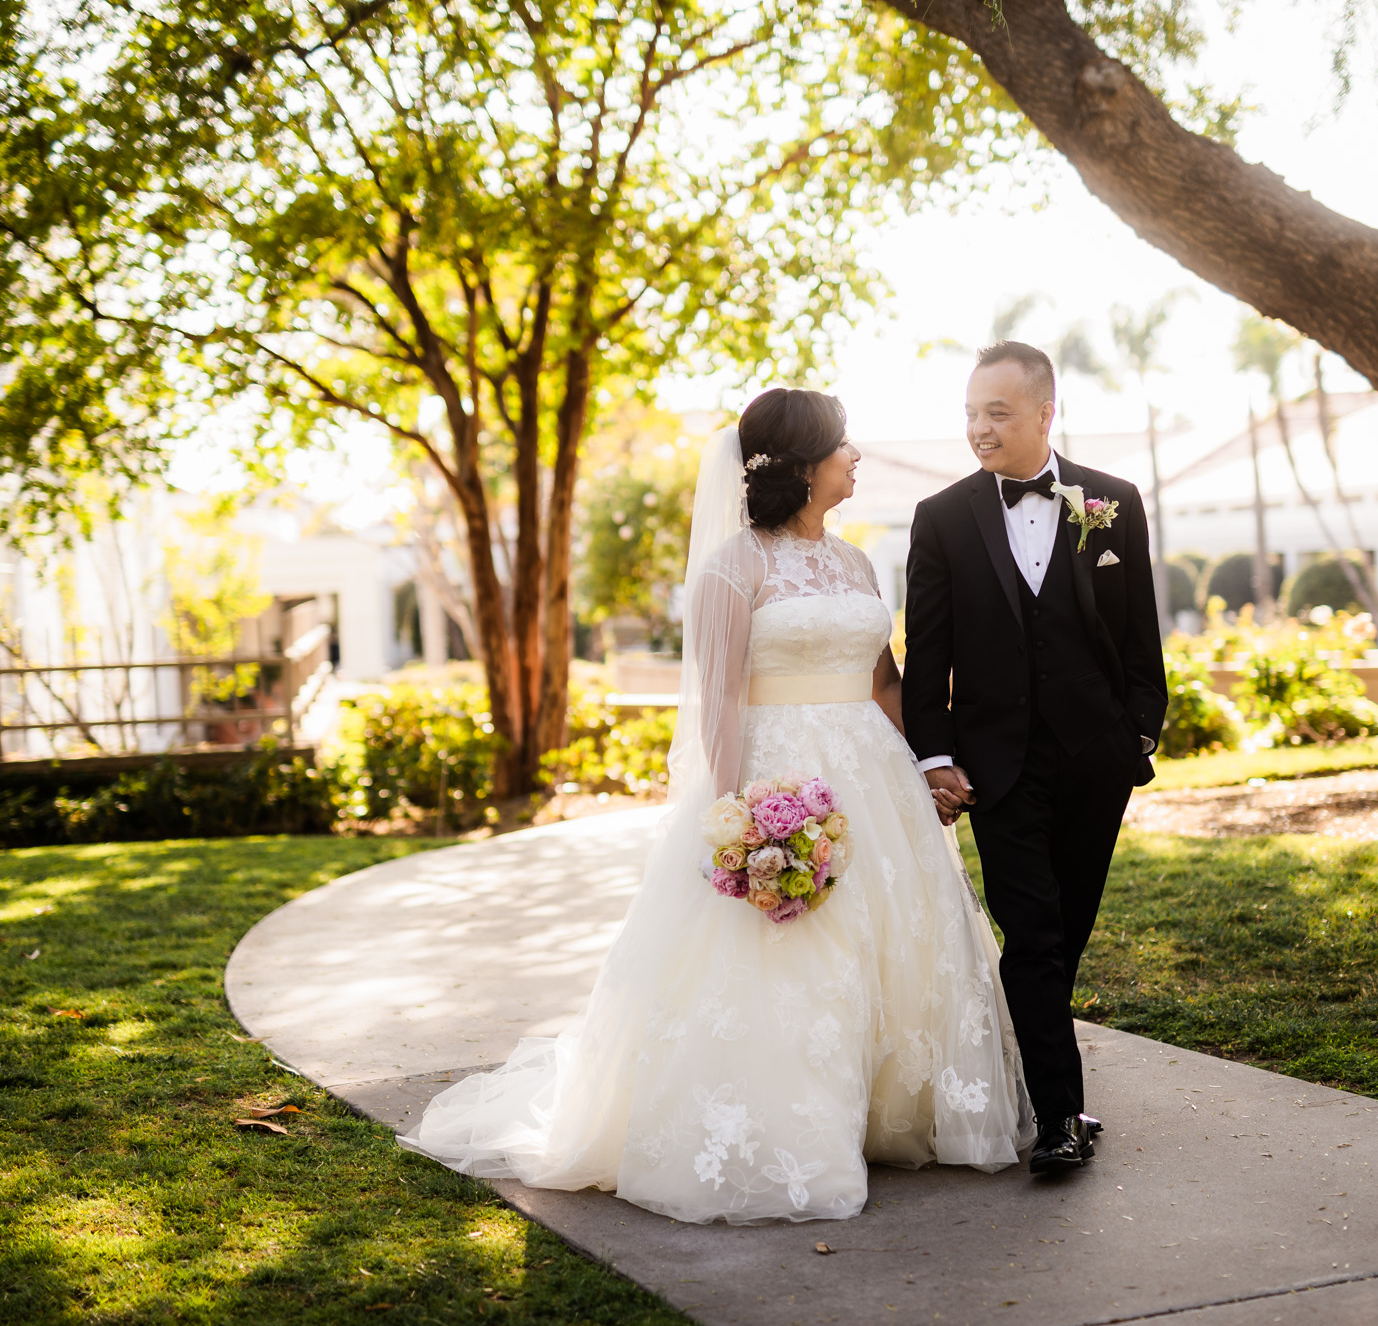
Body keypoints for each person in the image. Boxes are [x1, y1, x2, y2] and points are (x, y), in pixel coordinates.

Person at [399, 388, 1030, 1224]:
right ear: (804, 466)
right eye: (844, 445)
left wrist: (926, 763)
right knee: (799, 954)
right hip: (780, 780)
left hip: (874, 778)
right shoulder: (735, 565)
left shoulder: (856, 565)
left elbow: (884, 680)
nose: (857, 456)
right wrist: (737, 817)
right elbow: (719, 701)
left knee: (893, 939)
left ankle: (893, 1111)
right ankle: (799, 1130)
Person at [903, 341, 1167, 1174]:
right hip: (999, 765)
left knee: (1068, 927)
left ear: (1045, 413)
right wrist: (936, 753)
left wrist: (1138, 733)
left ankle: (1036, 1070)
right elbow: (929, 648)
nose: (979, 429)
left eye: (998, 413)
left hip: (1097, 759)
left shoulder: (1112, 501)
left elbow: (1139, 634)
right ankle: (1059, 1116)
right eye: (972, 412)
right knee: (1036, 934)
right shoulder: (941, 517)